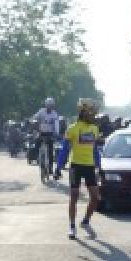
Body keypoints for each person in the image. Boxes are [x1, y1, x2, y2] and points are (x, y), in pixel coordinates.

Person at [53, 98, 102, 239]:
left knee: (95, 197)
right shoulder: (72, 128)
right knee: (74, 196)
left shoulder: (94, 128)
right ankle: (72, 226)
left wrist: (99, 166)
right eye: (91, 114)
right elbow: (64, 150)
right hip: (75, 166)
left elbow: (95, 150)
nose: (93, 117)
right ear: (83, 113)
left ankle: (85, 221)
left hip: (90, 167)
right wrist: (58, 167)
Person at [31, 98, 61, 177]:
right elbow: (34, 118)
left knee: (50, 150)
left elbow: (56, 124)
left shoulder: (54, 114)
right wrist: (34, 122)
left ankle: (50, 167)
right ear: (45, 105)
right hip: (41, 132)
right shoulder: (41, 111)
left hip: (50, 134)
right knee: (36, 144)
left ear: (53, 106)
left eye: (51, 105)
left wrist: (56, 133)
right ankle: (36, 157)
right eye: (48, 105)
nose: (49, 107)